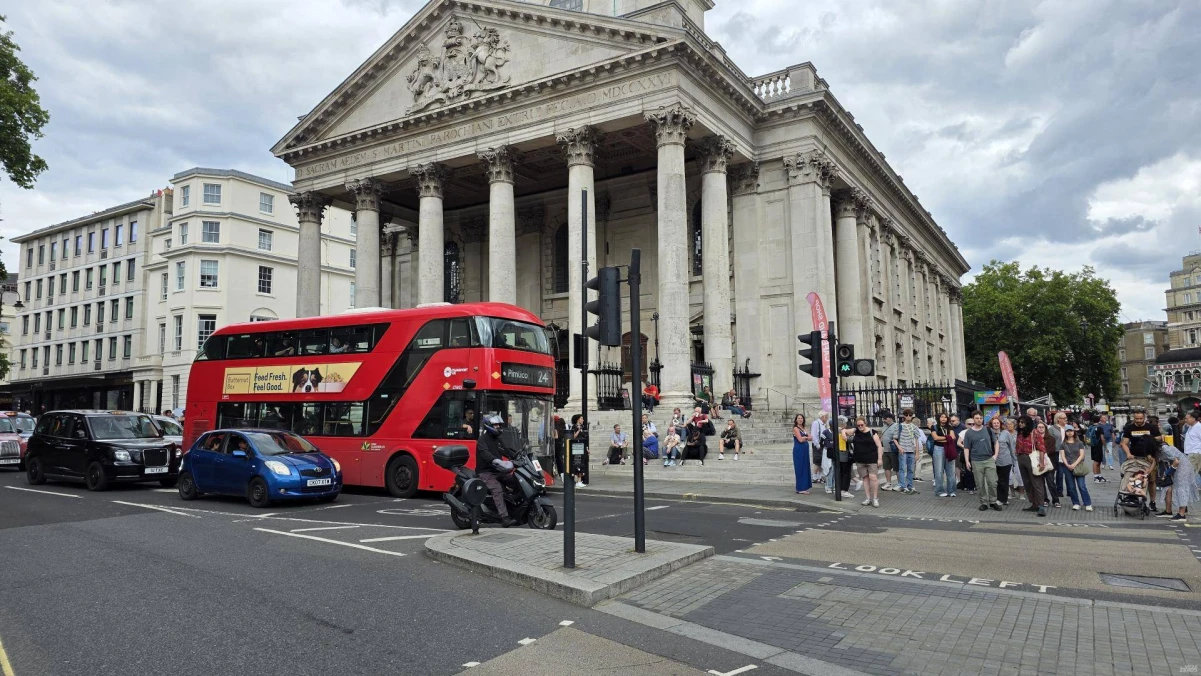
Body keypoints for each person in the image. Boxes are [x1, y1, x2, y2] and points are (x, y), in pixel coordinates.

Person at [474, 414, 517, 527]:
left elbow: (505, 450)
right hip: (485, 472)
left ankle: (515, 508)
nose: (498, 426)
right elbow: (485, 454)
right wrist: (496, 461)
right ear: (488, 425)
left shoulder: (497, 439)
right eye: (495, 425)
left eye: (498, 424)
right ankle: (504, 518)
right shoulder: (482, 439)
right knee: (497, 489)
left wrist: (517, 456)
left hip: (498, 471)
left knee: (517, 480)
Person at [1122, 410, 1163, 512]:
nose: (1139, 421)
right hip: (1135, 457)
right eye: (1137, 419)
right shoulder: (1129, 428)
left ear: (1144, 418)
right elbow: (1124, 443)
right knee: (1133, 478)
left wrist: (1151, 440)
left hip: (1149, 458)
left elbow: (1159, 438)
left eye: (1141, 419)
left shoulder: (1152, 427)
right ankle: (1133, 498)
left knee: (1152, 480)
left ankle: (1152, 502)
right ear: (1133, 418)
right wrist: (1128, 454)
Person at [961, 410, 1001, 511]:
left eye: (981, 418)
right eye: (977, 418)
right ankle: (983, 502)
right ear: (973, 419)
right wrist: (967, 461)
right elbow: (966, 448)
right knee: (980, 483)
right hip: (976, 461)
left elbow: (996, 442)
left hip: (989, 459)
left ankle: (993, 501)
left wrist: (995, 455)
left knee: (992, 482)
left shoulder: (988, 430)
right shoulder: (969, 433)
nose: (979, 420)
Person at [844, 415, 883, 507]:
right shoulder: (856, 431)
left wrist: (880, 458)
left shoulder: (872, 432)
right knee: (865, 478)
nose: (860, 427)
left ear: (865, 424)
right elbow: (844, 430)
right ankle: (868, 498)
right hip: (860, 459)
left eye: (862, 425)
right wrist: (843, 432)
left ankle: (875, 498)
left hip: (872, 458)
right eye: (858, 425)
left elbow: (879, 446)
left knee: (873, 478)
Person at [1160, 441, 1197, 521]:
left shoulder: (1165, 449)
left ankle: (1181, 514)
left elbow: (1176, 461)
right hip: (1184, 467)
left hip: (1183, 469)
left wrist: (1168, 472)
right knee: (1177, 488)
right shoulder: (1168, 447)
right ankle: (1172, 511)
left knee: (1182, 489)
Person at [1059, 427, 1093, 511]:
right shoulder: (1063, 444)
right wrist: (1067, 464)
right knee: (1071, 487)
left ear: (1074, 432)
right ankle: (1076, 503)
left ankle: (1087, 503)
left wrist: (1074, 464)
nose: (1069, 433)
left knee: (1082, 486)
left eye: (1071, 431)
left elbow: (1082, 455)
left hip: (1078, 465)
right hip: (1067, 466)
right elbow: (1062, 456)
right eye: (1067, 431)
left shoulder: (1079, 443)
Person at [931, 413, 955, 497]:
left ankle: (951, 491)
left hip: (949, 449)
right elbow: (935, 438)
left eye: (945, 417)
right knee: (939, 471)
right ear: (939, 418)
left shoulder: (950, 427)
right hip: (938, 449)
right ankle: (939, 491)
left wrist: (946, 439)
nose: (944, 418)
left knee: (951, 471)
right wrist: (947, 438)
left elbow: (952, 437)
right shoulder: (934, 427)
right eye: (942, 417)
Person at [995, 416, 1017, 506]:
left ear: (1001, 424)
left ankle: (1003, 499)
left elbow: (1012, 447)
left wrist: (1014, 460)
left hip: (1005, 460)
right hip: (994, 460)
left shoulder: (1006, 433)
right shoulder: (990, 433)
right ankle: (999, 497)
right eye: (994, 423)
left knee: (1003, 480)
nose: (996, 425)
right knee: (996, 480)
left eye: (997, 423)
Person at [878, 410, 900, 491]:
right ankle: (888, 483)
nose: (884, 420)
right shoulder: (884, 426)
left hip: (894, 451)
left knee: (896, 468)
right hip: (886, 450)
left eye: (885, 419)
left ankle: (900, 483)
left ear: (890, 418)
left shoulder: (896, 426)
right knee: (886, 467)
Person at [792, 413, 812, 495]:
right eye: (799, 418)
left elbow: (811, 438)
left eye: (801, 418)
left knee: (805, 467)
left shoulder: (804, 428)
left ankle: (805, 487)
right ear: (796, 420)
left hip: (805, 450)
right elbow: (800, 440)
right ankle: (800, 488)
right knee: (800, 468)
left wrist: (805, 438)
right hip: (799, 450)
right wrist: (806, 437)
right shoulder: (795, 428)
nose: (800, 419)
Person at [570, 414, 589, 488]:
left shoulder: (582, 427)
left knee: (582, 463)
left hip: (582, 446)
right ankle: (578, 480)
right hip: (577, 447)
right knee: (578, 463)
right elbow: (573, 436)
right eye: (581, 418)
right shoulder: (574, 427)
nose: (583, 420)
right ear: (578, 419)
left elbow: (584, 438)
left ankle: (580, 480)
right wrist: (578, 430)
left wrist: (587, 448)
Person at [810, 412, 829, 485]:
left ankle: (819, 477)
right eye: (826, 417)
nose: (827, 418)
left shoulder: (823, 424)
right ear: (822, 416)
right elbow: (814, 434)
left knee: (821, 461)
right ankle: (814, 477)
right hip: (818, 445)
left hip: (823, 445)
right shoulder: (816, 423)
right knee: (817, 460)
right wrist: (817, 445)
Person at [1184, 410, 1201, 478]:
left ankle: (1194, 487)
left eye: (1187, 418)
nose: (1185, 420)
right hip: (1190, 452)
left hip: (1195, 453)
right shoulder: (1191, 427)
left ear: (1193, 418)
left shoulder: (1199, 427)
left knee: (1191, 473)